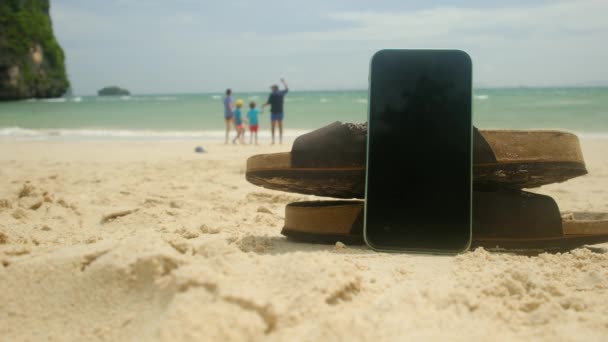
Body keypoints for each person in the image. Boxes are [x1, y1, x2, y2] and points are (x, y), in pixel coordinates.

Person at [261, 78, 288, 144]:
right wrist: (284, 82)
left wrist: (263, 105)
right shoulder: (281, 93)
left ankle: (273, 140)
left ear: (274, 88)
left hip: (273, 112)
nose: (271, 89)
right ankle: (280, 141)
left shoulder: (272, 94)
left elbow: (269, 102)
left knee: (273, 127)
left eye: (272, 88)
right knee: (280, 127)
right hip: (280, 112)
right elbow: (287, 89)